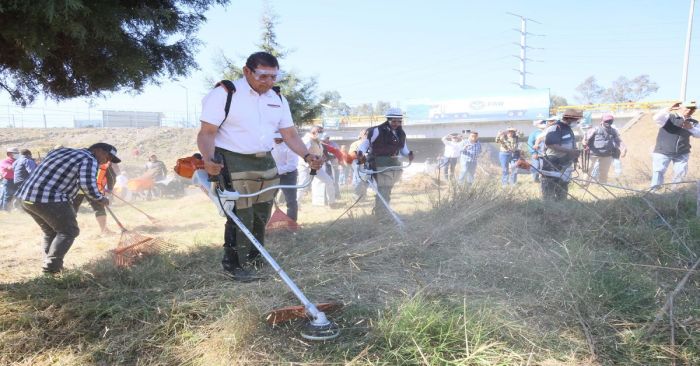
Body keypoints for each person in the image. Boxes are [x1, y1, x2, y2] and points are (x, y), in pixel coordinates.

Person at [197, 51, 322, 281]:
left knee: (262, 213)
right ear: (247, 71)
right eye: (263, 76)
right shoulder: (226, 93)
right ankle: (233, 264)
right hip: (232, 159)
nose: (269, 82)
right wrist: (208, 159)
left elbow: (290, 134)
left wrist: (307, 155)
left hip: (265, 160)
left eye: (274, 77)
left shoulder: (277, 99)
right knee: (240, 214)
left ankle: (255, 258)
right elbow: (206, 133)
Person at [17, 143, 117, 274]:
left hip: (25, 198)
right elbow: (87, 184)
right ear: (98, 150)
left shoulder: (61, 151)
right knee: (69, 231)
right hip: (47, 199)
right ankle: (51, 268)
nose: (107, 161)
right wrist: (101, 199)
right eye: (107, 156)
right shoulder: (89, 159)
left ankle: (50, 264)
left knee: (51, 232)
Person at [357, 108, 414, 217]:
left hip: (393, 163)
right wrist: (360, 154)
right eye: (393, 121)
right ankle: (382, 213)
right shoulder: (375, 131)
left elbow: (403, 149)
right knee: (383, 189)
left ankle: (382, 211)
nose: (396, 124)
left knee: (387, 189)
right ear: (388, 120)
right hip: (378, 163)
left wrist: (409, 155)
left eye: (399, 121)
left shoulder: (400, 133)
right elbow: (364, 145)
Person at [650, 101, 700, 189]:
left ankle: (675, 192)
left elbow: (698, 134)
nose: (689, 110)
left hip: (682, 152)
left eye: (692, 108)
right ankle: (654, 191)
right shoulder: (669, 117)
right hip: (663, 151)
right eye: (687, 107)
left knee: (680, 172)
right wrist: (669, 108)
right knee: (658, 171)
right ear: (680, 108)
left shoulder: (694, 122)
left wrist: (691, 128)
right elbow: (656, 118)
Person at [540, 109, 583, 201]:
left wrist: (574, 153)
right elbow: (551, 144)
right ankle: (548, 208)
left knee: (562, 187)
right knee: (549, 188)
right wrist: (570, 151)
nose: (577, 122)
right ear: (569, 119)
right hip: (552, 162)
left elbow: (569, 144)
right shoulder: (555, 128)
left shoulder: (568, 129)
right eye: (576, 120)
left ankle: (561, 206)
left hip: (565, 162)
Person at [72, 161, 117, 235]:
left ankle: (67, 229)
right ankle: (104, 230)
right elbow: (112, 177)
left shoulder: (82, 160)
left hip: (77, 189)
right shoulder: (105, 163)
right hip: (93, 190)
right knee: (99, 209)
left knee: (72, 210)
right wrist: (109, 190)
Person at [297, 125, 336, 206]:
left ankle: (332, 203)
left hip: (316, 166)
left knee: (329, 181)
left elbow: (320, 154)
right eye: (320, 132)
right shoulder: (306, 140)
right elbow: (302, 153)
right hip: (305, 166)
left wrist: (322, 159)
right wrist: (310, 163)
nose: (322, 133)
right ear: (314, 132)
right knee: (302, 186)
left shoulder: (317, 140)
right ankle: (296, 205)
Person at [583, 114, 626, 184]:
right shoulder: (594, 129)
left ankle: (602, 187)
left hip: (607, 155)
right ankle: (584, 185)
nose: (608, 122)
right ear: (602, 121)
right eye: (606, 121)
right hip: (593, 154)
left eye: (610, 121)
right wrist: (584, 143)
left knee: (604, 173)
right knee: (588, 170)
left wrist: (624, 149)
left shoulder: (613, 131)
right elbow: (585, 139)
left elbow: (618, 141)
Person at [271, 131, 299, 221]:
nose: (277, 140)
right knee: (267, 200)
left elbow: (292, 165)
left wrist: (276, 171)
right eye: (275, 138)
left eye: (279, 139)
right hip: (272, 174)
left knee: (291, 201)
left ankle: (291, 222)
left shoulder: (290, 147)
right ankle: (265, 223)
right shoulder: (269, 144)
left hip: (288, 175)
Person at [349, 129, 369, 199]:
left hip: (367, 164)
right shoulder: (356, 144)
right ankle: (356, 195)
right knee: (359, 179)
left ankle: (363, 195)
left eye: (367, 134)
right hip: (358, 164)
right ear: (360, 135)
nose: (366, 135)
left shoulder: (370, 143)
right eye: (365, 134)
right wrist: (362, 155)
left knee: (366, 179)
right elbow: (352, 154)